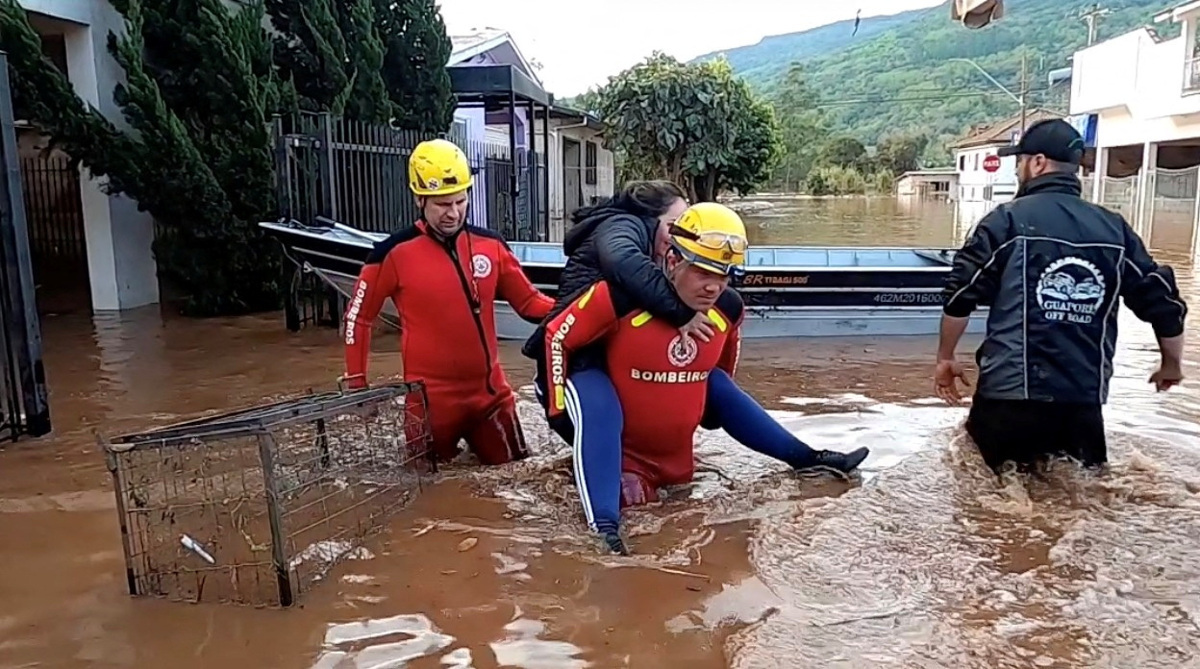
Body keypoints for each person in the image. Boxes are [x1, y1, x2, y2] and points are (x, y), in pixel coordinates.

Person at [544, 202, 870, 554]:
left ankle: (811, 459)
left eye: (724, 274)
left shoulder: (729, 310)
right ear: (672, 261)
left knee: (715, 386)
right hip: (625, 456)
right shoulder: (617, 299)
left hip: (677, 458)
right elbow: (556, 337)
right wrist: (558, 406)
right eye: (703, 272)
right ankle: (603, 530)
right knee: (635, 509)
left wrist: (709, 409)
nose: (714, 287)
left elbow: (724, 371)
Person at [934, 118, 1188, 473]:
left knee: (988, 497)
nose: (1018, 169)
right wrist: (1171, 363)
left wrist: (946, 357)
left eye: (1018, 161)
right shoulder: (1114, 228)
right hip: (1082, 399)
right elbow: (1163, 302)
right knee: (1081, 501)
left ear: (1037, 162)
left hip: (1009, 395)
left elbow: (961, 293)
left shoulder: (1005, 221)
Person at [341, 138, 554, 465]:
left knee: (517, 476)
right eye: (442, 204)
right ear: (419, 199)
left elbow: (530, 304)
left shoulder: (491, 246)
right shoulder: (392, 254)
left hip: (491, 398)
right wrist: (357, 384)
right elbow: (359, 318)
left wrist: (582, 308)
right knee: (425, 494)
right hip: (429, 404)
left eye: (460, 201)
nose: (454, 213)